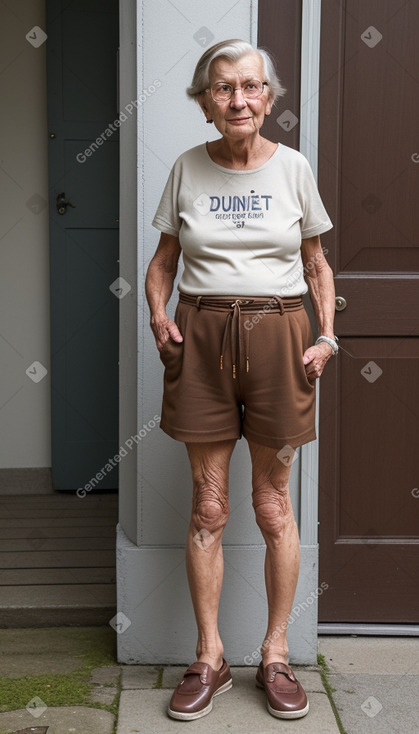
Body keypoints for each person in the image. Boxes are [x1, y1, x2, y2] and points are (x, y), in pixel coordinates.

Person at [145, 38, 337, 722]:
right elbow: (162, 263)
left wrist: (324, 337)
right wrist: (157, 317)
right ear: (204, 102)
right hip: (200, 338)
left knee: (272, 505)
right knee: (207, 507)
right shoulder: (186, 169)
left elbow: (316, 265)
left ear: (268, 98)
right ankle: (209, 657)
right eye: (222, 88)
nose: (238, 100)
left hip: (280, 337)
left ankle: (276, 655)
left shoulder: (292, 169)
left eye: (251, 87)